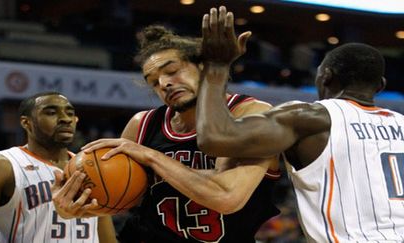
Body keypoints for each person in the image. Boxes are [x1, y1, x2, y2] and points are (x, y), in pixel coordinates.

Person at [53, 24, 281, 242]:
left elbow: (227, 196)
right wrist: (76, 208)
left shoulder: (252, 114)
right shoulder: (142, 125)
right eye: (153, 82)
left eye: (172, 71)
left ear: (204, 66)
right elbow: (111, 201)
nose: (164, 84)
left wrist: (151, 157)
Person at [196, 6, 404, 242]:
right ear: (381, 85)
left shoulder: (312, 118)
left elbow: (214, 138)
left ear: (326, 76)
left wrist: (216, 67)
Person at [0, 91, 117, 242]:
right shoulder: (2, 167)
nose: (65, 119)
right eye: (52, 113)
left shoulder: (97, 171)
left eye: (70, 113)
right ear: (26, 123)